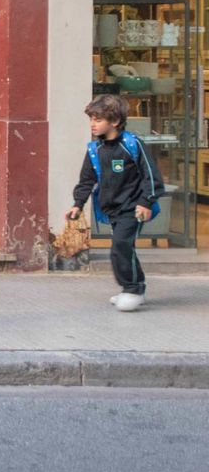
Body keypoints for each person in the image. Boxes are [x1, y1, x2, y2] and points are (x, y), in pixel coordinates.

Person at [65, 94, 163, 312]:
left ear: (115, 121)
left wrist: (146, 202)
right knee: (124, 247)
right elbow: (87, 180)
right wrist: (77, 204)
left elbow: (151, 176)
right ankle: (135, 286)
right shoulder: (95, 150)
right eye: (91, 119)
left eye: (98, 120)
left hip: (134, 208)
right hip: (112, 209)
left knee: (120, 246)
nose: (92, 124)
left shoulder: (132, 144)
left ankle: (132, 290)